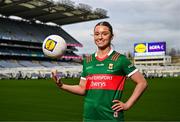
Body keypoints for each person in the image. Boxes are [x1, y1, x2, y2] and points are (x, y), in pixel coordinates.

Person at [52, 21, 148, 122]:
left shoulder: (120, 59)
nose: (100, 37)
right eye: (97, 34)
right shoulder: (88, 61)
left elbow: (142, 83)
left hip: (111, 117)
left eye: (104, 34)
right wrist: (61, 85)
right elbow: (82, 89)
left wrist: (127, 105)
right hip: (89, 117)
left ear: (111, 36)